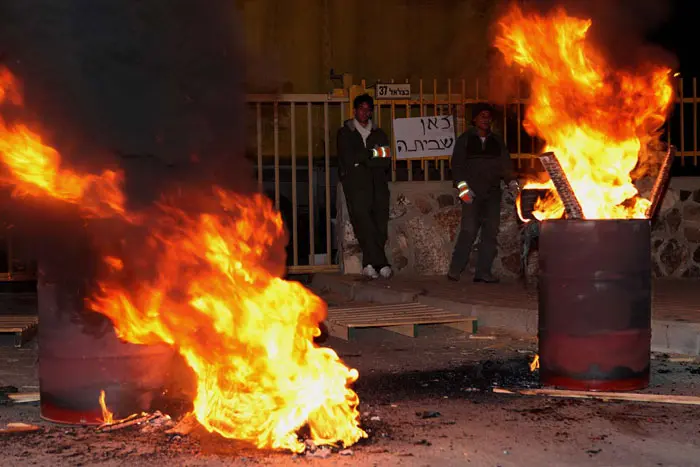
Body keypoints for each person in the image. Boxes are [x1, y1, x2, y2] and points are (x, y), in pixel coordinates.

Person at [448, 103, 520, 283]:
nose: (486, 119)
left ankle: (483, 272)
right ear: (474, 119)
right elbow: (457, 166)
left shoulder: (497, 141)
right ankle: (455, 269)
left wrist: (511, 182)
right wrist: (463, 188)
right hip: (471, 194)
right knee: (469, 230)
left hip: (492, 193)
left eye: (488, 116)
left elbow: (505, 165)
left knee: (490, 232)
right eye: (482, 116)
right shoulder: (465, 140)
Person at [337, 94, 393, 279]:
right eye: (361, 108)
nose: (365, 112)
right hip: (357, 187)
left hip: (379, 185)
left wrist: (364, 159)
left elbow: (385, 160)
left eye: (368, 109)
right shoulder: (345, 133)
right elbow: (349, 158)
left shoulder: (379, 133)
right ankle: (380, 263)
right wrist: (372, 154)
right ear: (354, 110)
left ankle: (370, 263)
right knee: (364, 224)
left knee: (379, 224)